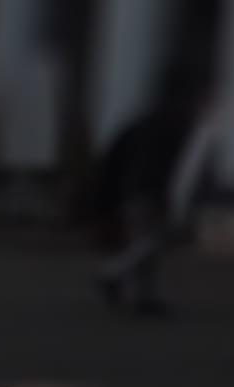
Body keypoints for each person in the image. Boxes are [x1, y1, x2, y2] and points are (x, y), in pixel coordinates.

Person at [92, 81, 217, 315]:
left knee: (146, 241)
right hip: (151, 191)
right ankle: (114, 273)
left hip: (134, 188)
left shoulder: (140, 125)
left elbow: (115, 156)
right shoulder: (177, 129)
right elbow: (183, 169)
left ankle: (143, 296)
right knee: (153, 241)